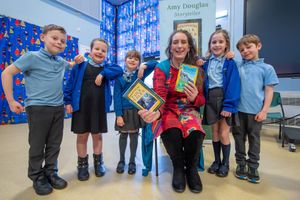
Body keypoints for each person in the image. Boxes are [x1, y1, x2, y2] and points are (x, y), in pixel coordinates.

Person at [1, 24, 83, 195]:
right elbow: (7, 73)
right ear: (43, 37)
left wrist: (78, 60)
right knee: (37, 145)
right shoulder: (32, 57)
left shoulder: (60, 62)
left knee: (54, 144)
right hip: (37, 108)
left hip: (57, 109)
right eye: (54, 38)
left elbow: (72, 64)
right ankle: (37, 176)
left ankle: (51, 172)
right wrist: (10, 100)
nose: (59, 43)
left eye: (63, 41)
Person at [138, 30, 206, 193]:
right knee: (172, 131)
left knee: (195, 131)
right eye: (175, 42)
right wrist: (157, 113)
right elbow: (159, 96)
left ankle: (191, 169)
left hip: (189, 109)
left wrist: (195, 97)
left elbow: (202, 100)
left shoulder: (195, 69)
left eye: (183, 42)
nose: (179, 46)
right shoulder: (162, 68)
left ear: (189, 47)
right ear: (170, 47)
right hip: (167, 109)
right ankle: (178, 168)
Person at [64, 38, 123, 181]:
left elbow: (119, 70)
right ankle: (82, 165)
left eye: (103, 50)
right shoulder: (80, 65)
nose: (100, 52)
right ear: (90, 51)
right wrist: (67, 101)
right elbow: (70, 84)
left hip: (98, 108)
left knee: (97, 136)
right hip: (81, 108)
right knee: (82, 136)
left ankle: (98, 164)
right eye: (97, 49)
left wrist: (103, 74)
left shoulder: (106, 68)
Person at [233, 34, 279, 183]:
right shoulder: (238, 66)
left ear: (258, 46)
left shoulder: (267, 68)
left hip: (256, 112)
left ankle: (253, 166)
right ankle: (241, 164)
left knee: (254, 139)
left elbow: (269, 90)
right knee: (239, 138)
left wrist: (264, 110)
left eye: (248, 47)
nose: (245, 51)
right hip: (238, 111)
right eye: (241, 49)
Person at [202, 29, 240, 177]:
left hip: (224, 99)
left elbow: (233, 85)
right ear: (210, 45)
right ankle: (217, 161)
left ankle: (225, 163)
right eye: (214, 42)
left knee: (224, 133)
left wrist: (229, 105)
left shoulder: (230, 62)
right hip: (210, 99)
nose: (217, 45)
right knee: (215, 132)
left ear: (226, 45)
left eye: (220, 42)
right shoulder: (206, 63)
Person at [113, 50, 157, 174]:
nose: (132, 60)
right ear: (125, 60)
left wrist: (144, 66)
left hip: (135, 111)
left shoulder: (140, 73)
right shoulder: (119, 77)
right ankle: (121, 160)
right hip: (123, 111)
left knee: (133, 136)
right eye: (130, 58)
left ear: (138, 62)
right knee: (123, 135)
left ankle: (132, 162)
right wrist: (118, 115)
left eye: (136, 59)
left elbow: (155, 63)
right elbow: (116, 97)